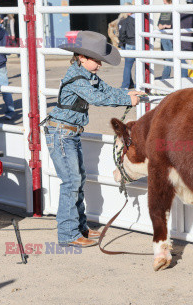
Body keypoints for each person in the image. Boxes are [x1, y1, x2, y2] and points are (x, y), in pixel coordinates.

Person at [43, 31, 145, 247]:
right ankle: (69, 233)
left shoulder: (85, 75)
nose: (99, 64)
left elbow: (105, 90)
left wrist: (128, 94)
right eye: (96, 60)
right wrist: (126, 98)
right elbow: (98, 98)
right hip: (62, 134)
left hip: (67, 133)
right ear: (82, 57)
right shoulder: (78, 79)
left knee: (76, 181)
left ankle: (79, 228)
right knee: (72, 182)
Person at [118, 9, 136, 89]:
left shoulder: (126, 20)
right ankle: (138, 84)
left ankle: (125, 86)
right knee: (139, 66)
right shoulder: (141, 19)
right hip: (140, 44)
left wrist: (122, 42)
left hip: (129, 44)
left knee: (128, 66)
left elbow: (122, 32)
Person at [158, 0, 173, 79]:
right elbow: (159, 25)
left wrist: (165, 26)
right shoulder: (163, 10)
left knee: (170, 57)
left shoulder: (172, 9)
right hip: (164, 36)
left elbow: (171, 25)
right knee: (167, 57)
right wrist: (165, 26)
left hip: (170, 36)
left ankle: (165, 76)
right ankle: (165, 76)